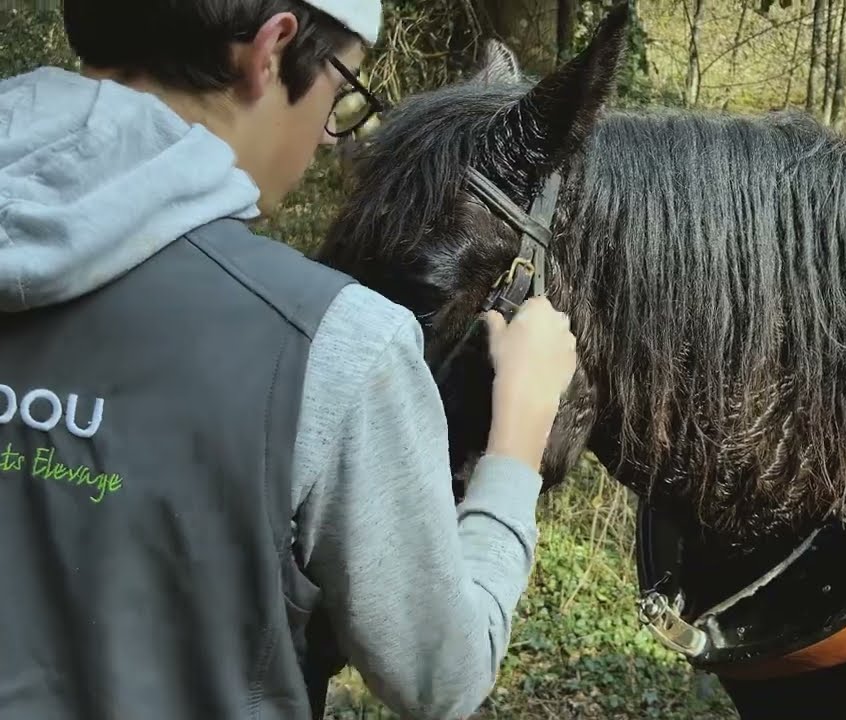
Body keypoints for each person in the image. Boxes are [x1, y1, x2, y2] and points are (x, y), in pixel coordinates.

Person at [0, 1, 577, 719]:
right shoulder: (326, 342)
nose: (326, 137)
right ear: (271, 49)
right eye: (342, 92)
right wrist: (517, 443)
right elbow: (442, 677)